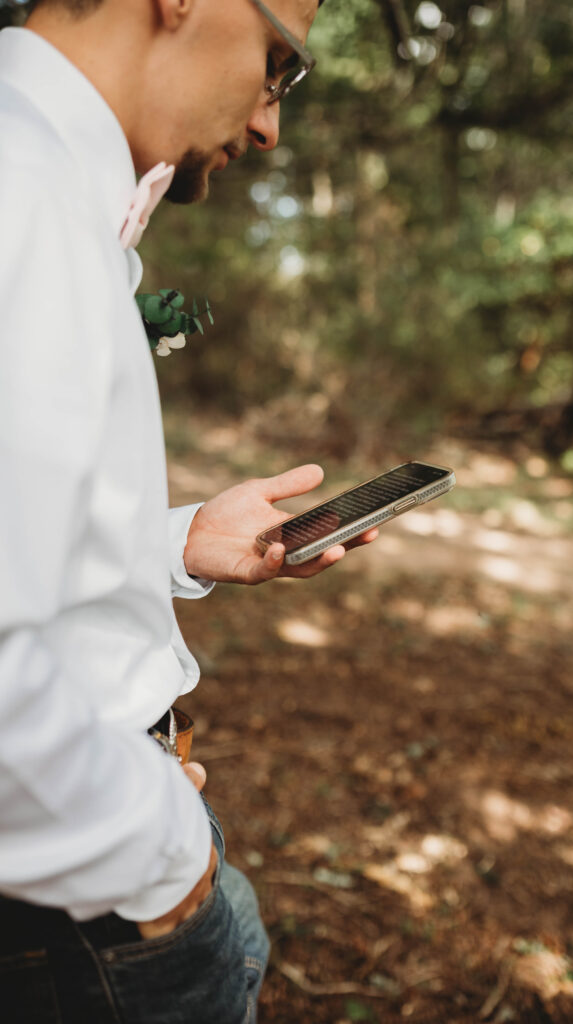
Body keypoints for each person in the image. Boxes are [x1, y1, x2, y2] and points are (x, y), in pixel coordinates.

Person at [0, 0, 376, 1020]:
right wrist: (159, 851)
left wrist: (173, 541)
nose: (268, 125)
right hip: (84, 924)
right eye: (278, 65)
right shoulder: (21, 191)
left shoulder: (50, 177)